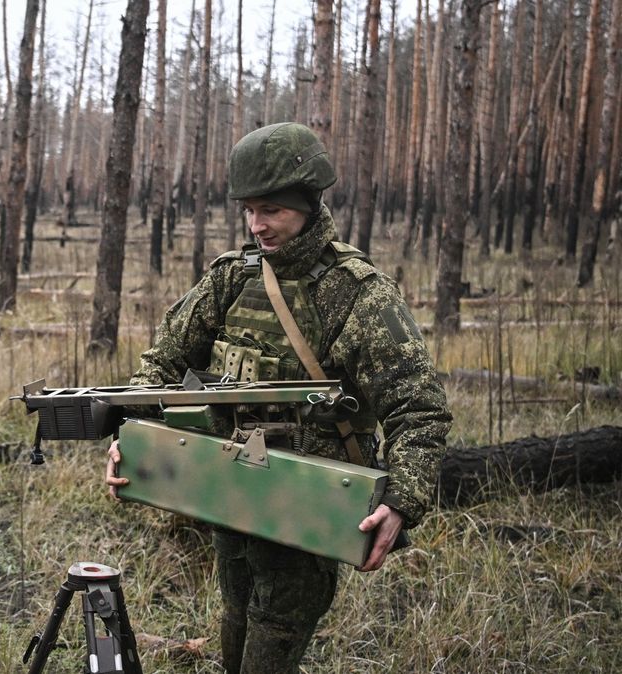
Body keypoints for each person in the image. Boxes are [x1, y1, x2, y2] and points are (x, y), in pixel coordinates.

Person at [105, 122, 451, 673]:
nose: (256, 225)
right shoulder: (232, 278)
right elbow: (161, 367)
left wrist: (403, 502)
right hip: (226, 492)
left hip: (306, 503)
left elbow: (418, 407)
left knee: (272, 639)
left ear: (308, 206)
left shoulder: (357, 294)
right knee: (236, 616)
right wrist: (132, 436)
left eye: (271, 211)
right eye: (248, 209)